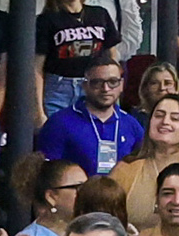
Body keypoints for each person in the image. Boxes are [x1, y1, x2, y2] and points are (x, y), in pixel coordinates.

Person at [38, 54, 146, 183]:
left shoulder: (131, 125)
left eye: (112, 82)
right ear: (85, 85)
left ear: (121, 85)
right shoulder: (59, 123)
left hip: (120, 199)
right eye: (97, 82)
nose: (105, 89)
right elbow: (48, 175)